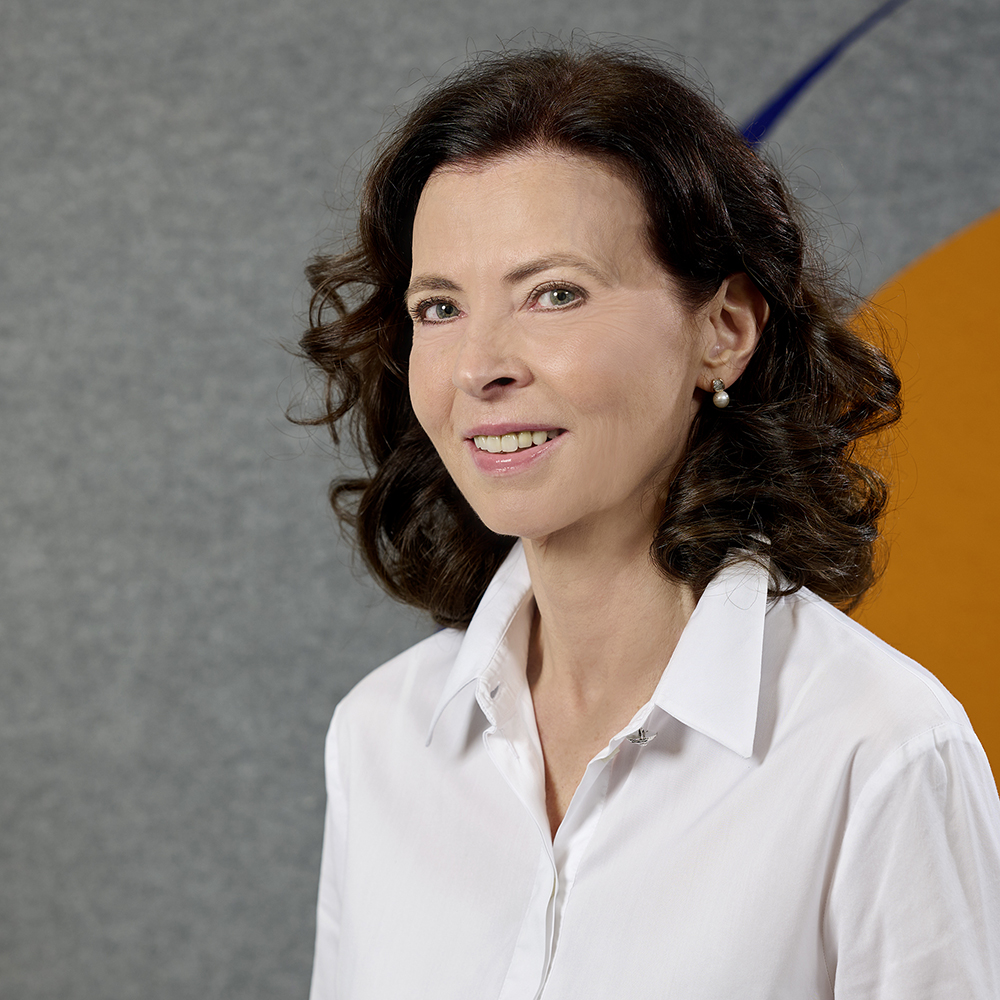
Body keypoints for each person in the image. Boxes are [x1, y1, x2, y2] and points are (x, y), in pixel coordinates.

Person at [298, 44, 1000, 999]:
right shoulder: (381, 736)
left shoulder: (880, 753)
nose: (479, 367)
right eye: (439, 306)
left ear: (725, 331)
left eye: (554, 293)